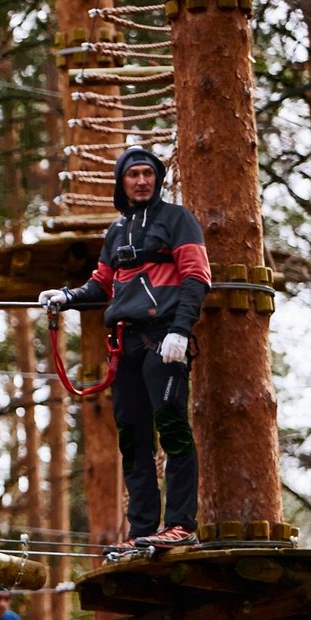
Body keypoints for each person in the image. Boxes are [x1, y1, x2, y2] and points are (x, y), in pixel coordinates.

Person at [39, 147, 211, 554]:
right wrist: (66, 297)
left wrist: (181, 331)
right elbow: (101, 284)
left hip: (165, 339)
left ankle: (181, 524)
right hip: (127, 344)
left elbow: (196, 276)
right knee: (133, 438)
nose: (141, 181)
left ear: (157, 180)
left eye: (148, 173)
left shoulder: (177, 220)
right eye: (133, 174)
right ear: (122, 182)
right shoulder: (118, 232)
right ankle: (142, 529)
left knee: (171, 427)